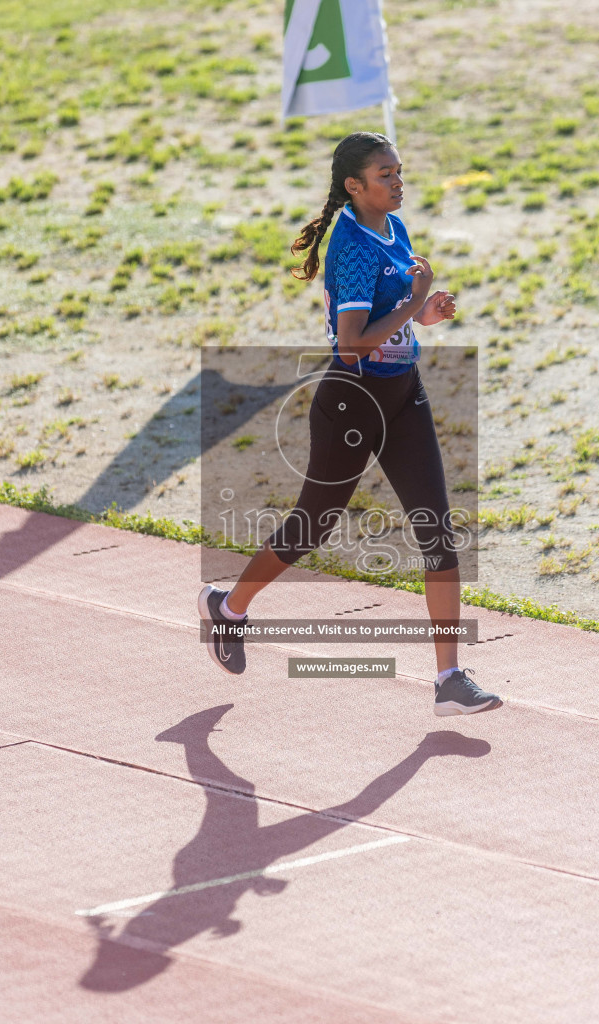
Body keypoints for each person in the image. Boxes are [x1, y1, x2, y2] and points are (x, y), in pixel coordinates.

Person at [199, 131, 502, 717]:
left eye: (398, 171)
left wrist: (425, 315)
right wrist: (415, 301)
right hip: (353, 402)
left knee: (436, 529)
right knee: (310, 527)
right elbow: (354, 343)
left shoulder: (394, 226)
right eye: (385, 175)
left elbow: (394, 321)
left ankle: (449, 678)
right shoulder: (354, 247)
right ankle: (229, 606)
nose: (397, 181)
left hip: (404, 394)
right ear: (353, 186)